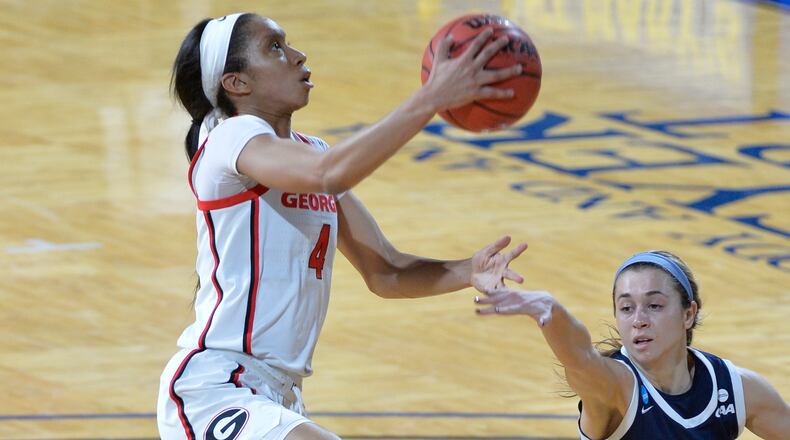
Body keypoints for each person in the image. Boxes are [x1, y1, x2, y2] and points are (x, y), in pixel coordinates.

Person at [157, 12, 527, 440]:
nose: (297, 56)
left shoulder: (311, 152)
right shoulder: (228, 138)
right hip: (217, 386)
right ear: (237, 84)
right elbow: (328, 174)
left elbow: (386, 271)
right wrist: (430, 99)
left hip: (278, 396)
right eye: (274, 47)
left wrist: (468, 270)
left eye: (288, 43)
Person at [475, 250, 790, 439]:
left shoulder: (737, 389)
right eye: (626, 308)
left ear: (688, 314)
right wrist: (550, 311)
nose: (638, 319)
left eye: (654, 306)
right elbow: (580, 358)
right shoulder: (617, 386)